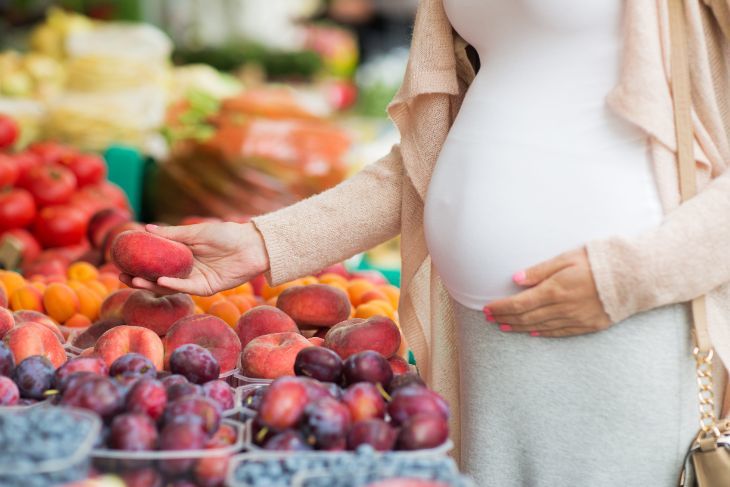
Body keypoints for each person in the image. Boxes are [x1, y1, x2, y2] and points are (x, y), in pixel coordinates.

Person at [122, 1, 730, 485]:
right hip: (474, 329)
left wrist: (631, 276)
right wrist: (266, 241)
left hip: (619, 320)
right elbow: (427, 155)